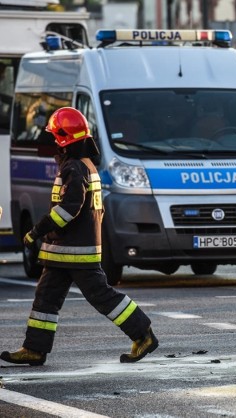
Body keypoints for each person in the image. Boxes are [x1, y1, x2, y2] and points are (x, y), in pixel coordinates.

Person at [0, 107, 158, 366]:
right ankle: (34, 348)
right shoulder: (84, 165)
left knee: (103, 297)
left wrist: (36, 231)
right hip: (63, 252)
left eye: (55, 137)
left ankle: (143, 335)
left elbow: (68, 209)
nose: (52, 142)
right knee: (46, 298)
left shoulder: (74, 168)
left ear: (63, 140)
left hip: (75, 252)